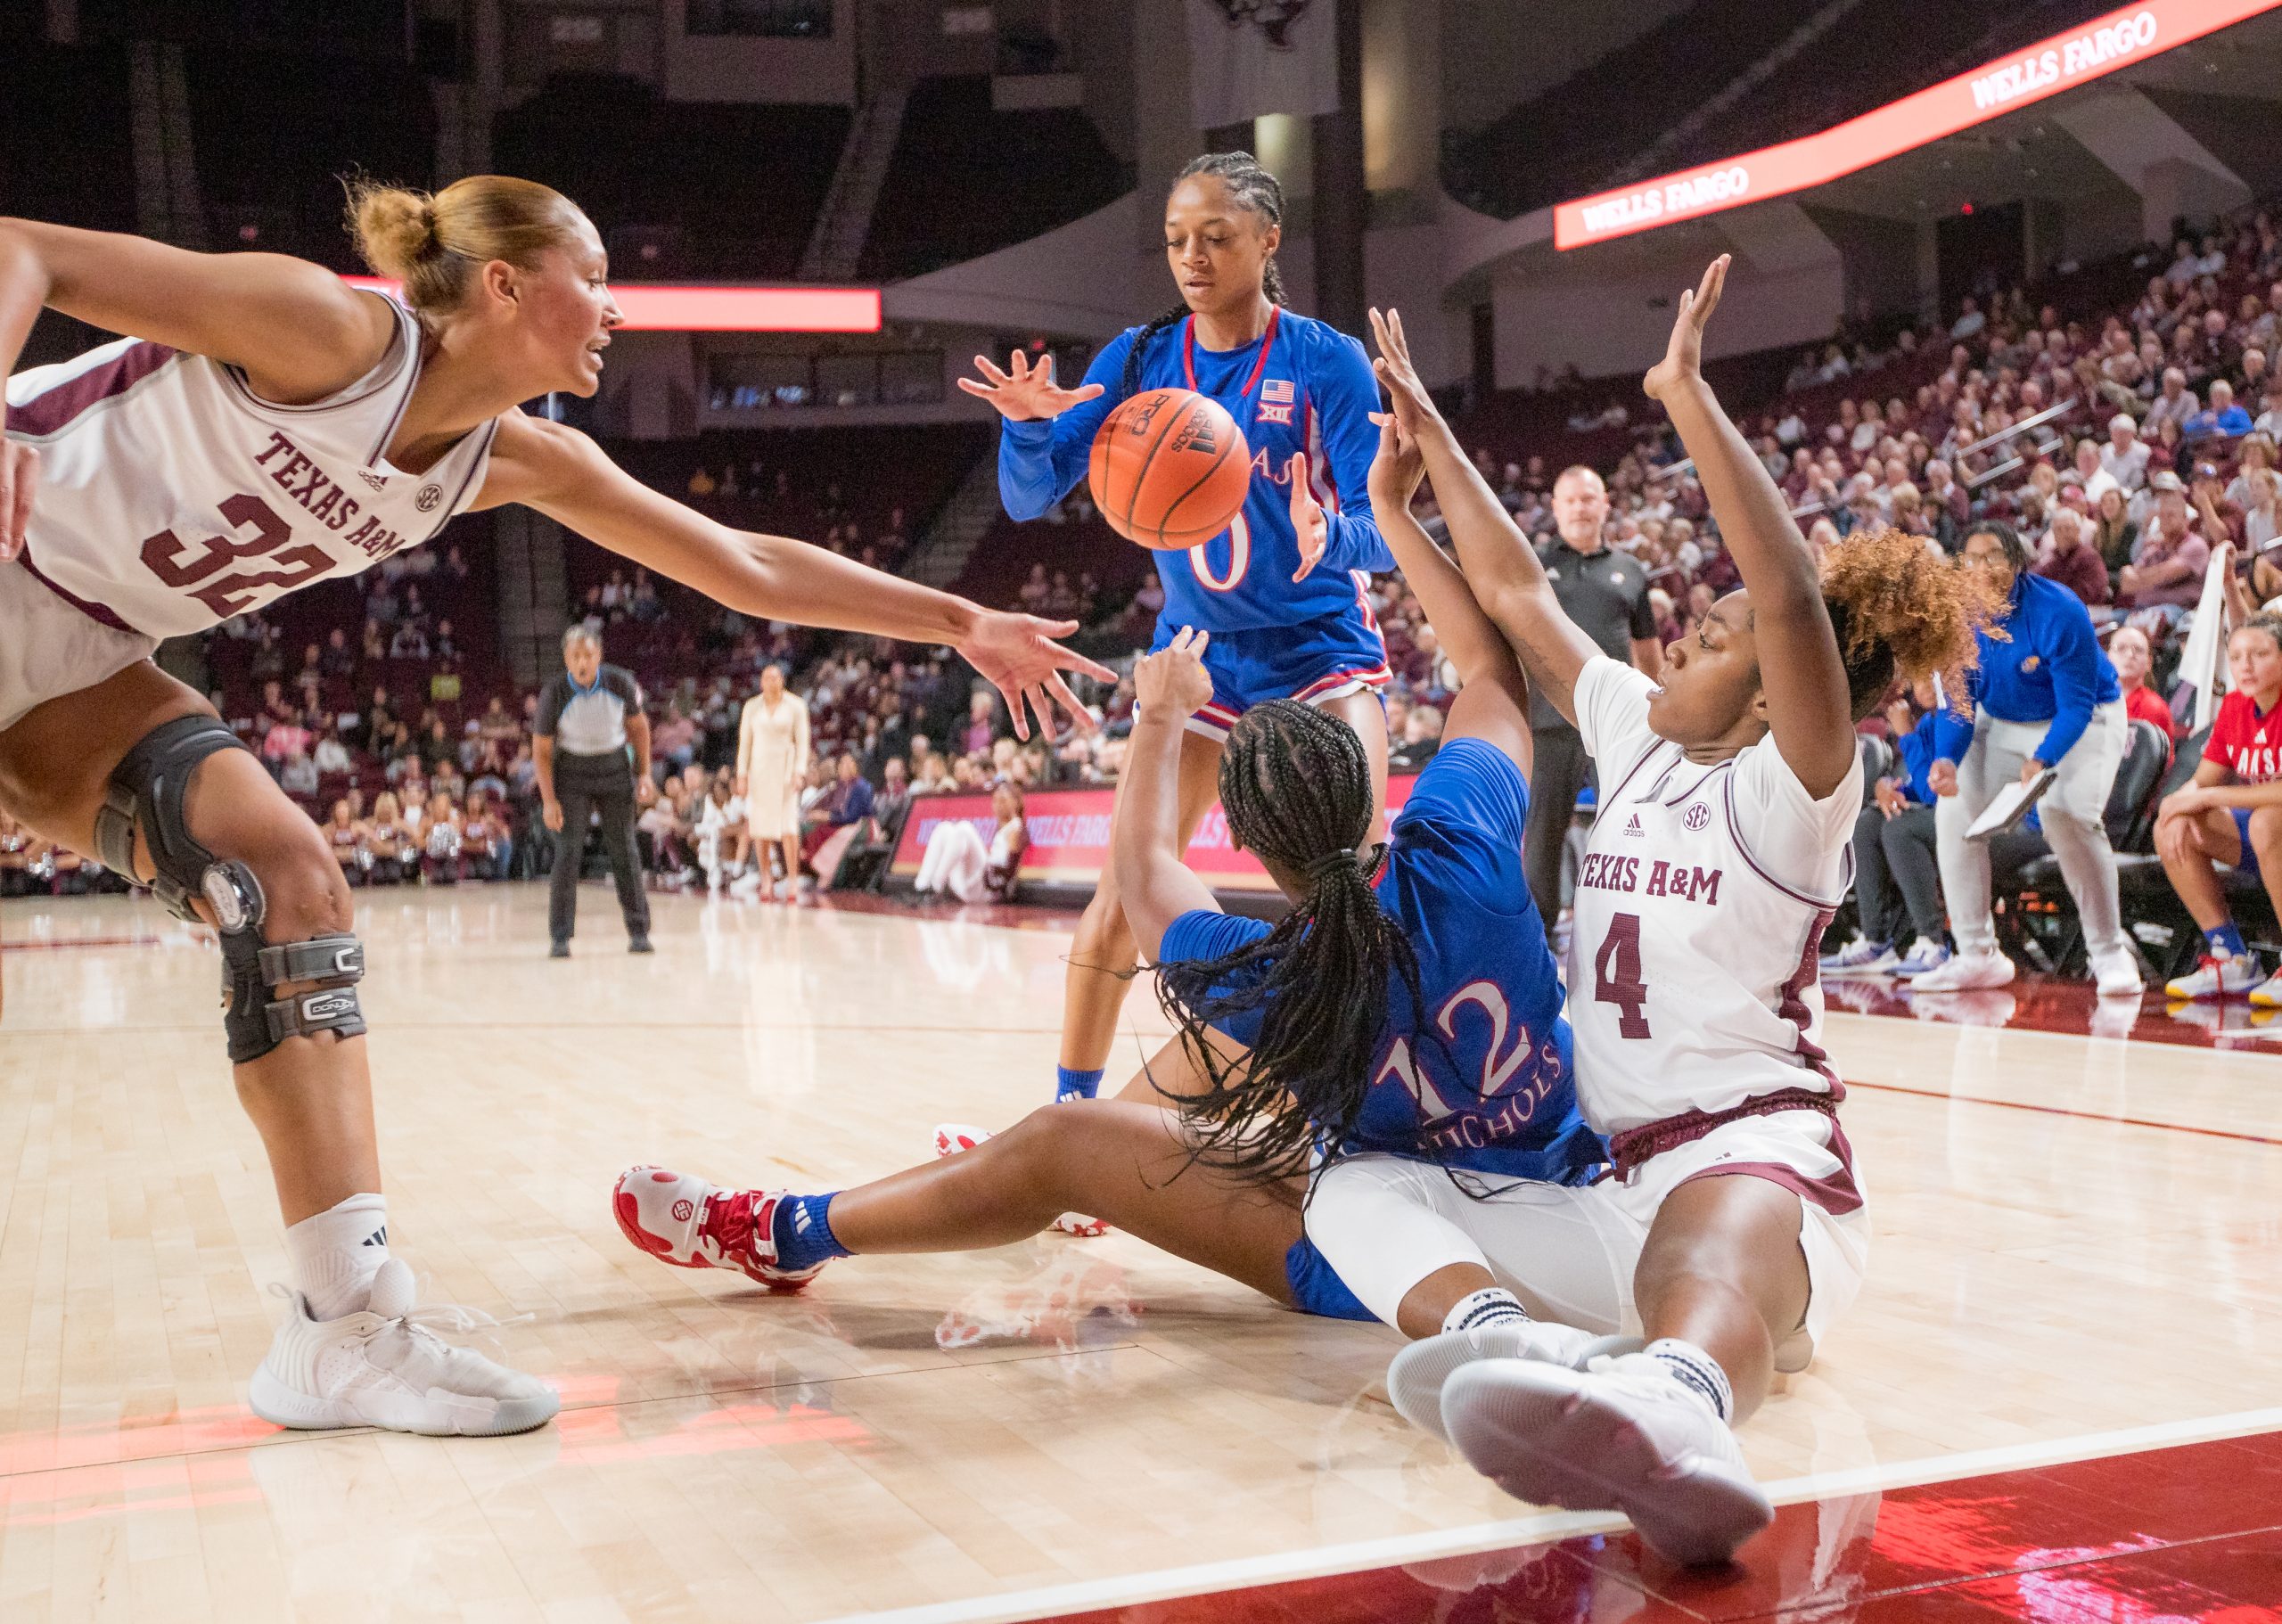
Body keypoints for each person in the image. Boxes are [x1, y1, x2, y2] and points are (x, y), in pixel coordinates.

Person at [0, 174, 1102, 1438]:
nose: (616, 309)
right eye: (593, 272)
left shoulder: (510, 458)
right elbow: (27, 245)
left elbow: (742, 565)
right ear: (505, 283)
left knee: (287, 880)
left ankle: (344, 1330)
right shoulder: (328, 332)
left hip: (78, 664)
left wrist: (960, 618)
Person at [610, 400, 1604, 1379]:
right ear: (1378, 789)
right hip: (1573, 1205)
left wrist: (1162, 715)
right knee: (1223, 1048)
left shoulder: (1264, 971)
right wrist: (1387, 510)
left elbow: (1141, 874)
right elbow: (1489, 669)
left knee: (1064, 1137)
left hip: (1394, 1257)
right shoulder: (1462, 842)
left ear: (1248, 843)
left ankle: (782, 1231)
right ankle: (830, 1224)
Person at [1305, 265, 1994, 1565]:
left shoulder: (1798, 793)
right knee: (1355, 1177)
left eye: (1713, 634)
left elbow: (1791, 597)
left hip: (1758, 1166)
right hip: (1607, 1180)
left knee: (1706, 1242)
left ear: (1778, 688)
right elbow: (1516, 593)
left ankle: (1680, 1408)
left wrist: (1684, 397)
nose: (1677, 639)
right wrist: (1422, 458)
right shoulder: (1634, 736)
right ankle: (1507, 1341)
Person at [962, 151, 1395, 1111]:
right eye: (1175, 240)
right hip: (1198, 665)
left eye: (1215, 236)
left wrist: (1337, 536)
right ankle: (1077, 1118)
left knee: (1352, 875)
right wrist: (1028, 428)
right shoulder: (1140, 356)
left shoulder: (1323, 357)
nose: (1191, 257)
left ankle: (1352, 1109)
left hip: (1320, 653)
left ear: (1268, 240)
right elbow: (1030, 497)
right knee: (1120, 898)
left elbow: (1392, 528)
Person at [1914, 521, 2141, 997]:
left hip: (2084, 717)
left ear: (2016, 563)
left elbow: (2077, 705)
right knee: (1954, 810)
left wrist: (2044, 758)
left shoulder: (2058, 609)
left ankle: (2108, 952)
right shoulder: (1954, 618)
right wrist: (1947, 759)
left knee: (2068, 815)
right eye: (1970, 558)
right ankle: (1977, 955)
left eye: (1994, 555)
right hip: (2004, 721)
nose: (1982, 567)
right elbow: (1959, 705)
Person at [1520, 466, 1663, 942]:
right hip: (1549, 719)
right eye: (1571, 500)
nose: (1581, 507)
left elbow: (1647, 647)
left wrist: (1659, 709)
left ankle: (1630, 924)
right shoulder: (1534, 565)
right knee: (1543, 833)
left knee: (1630, 827)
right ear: (1556, 508)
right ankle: (1538, 932)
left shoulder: (1632, 570)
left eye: (1589, 498)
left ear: (1605, 504)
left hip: (1619, 724)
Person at [2157, 611, 2282, 1005]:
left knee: (2265, 822)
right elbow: (2206, 779)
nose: (2245, 665)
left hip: (2272, 829)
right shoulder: (2235, 706)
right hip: (2268, 839)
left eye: (2259, 654)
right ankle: (2232, 957)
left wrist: (2209, 798)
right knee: (2172, 824)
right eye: (2238, 656)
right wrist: (2179, 805)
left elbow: (2215, 793)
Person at [1821, 680, 1964, 977]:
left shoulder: (1958, 717)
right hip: (1937, 814)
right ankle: (1874, 942)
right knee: (1868, 823)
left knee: (1900, 829)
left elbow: (1933, 791)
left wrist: (1906, 734)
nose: (1922, 682)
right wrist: (1886, 788)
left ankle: (1933, 943)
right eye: (1918, 674)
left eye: (1929, 672)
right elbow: (1916, 785)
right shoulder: (1928, 721)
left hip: (1966, 817)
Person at [534, 626, 651, 956]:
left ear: (599, 655)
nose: (582, 662)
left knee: (624, 849)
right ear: (566, 659)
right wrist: (548, 799)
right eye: (575, 656)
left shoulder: (620, 682)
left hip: (614, 768)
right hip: (571, 772)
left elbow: (639, 729)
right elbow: (541, 751)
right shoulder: (554, 692)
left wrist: (645, 774)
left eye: (588, 655)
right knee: (568, 853)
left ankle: (639, 931)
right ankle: (560, 937)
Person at [735, 663, 808, 898]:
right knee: (760, 828)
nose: (771, 682)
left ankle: (792, 880)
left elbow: (803, 742)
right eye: (767, 678)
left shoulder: (796, 705)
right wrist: (742, 775)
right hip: (759, 770)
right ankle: (766, 878)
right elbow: (744, 743)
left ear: (782, 680)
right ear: (761, 682)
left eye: (775, 678)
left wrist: (800, 771)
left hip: (785, 771)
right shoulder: (752, 707)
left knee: (789, 828)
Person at [912, 783, 1027, 904]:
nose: (998, 805)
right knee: (944, 828)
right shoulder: (1002, 827)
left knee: (965, 829)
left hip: (991, 890)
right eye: (995, 801)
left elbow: (1009, 872)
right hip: (973, 886)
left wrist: (990, 870)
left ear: (1016, 803)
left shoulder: (1016, 827)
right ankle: (921, 887)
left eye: (1003, 800)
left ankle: (935, 887)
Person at [2109, 623, 2179, 742]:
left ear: (2149, 663)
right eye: (2121, 648)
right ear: (2108, 656)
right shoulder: (2096, 700)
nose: (2130, 655)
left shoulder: (2153, 707)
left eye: (2139, 650)